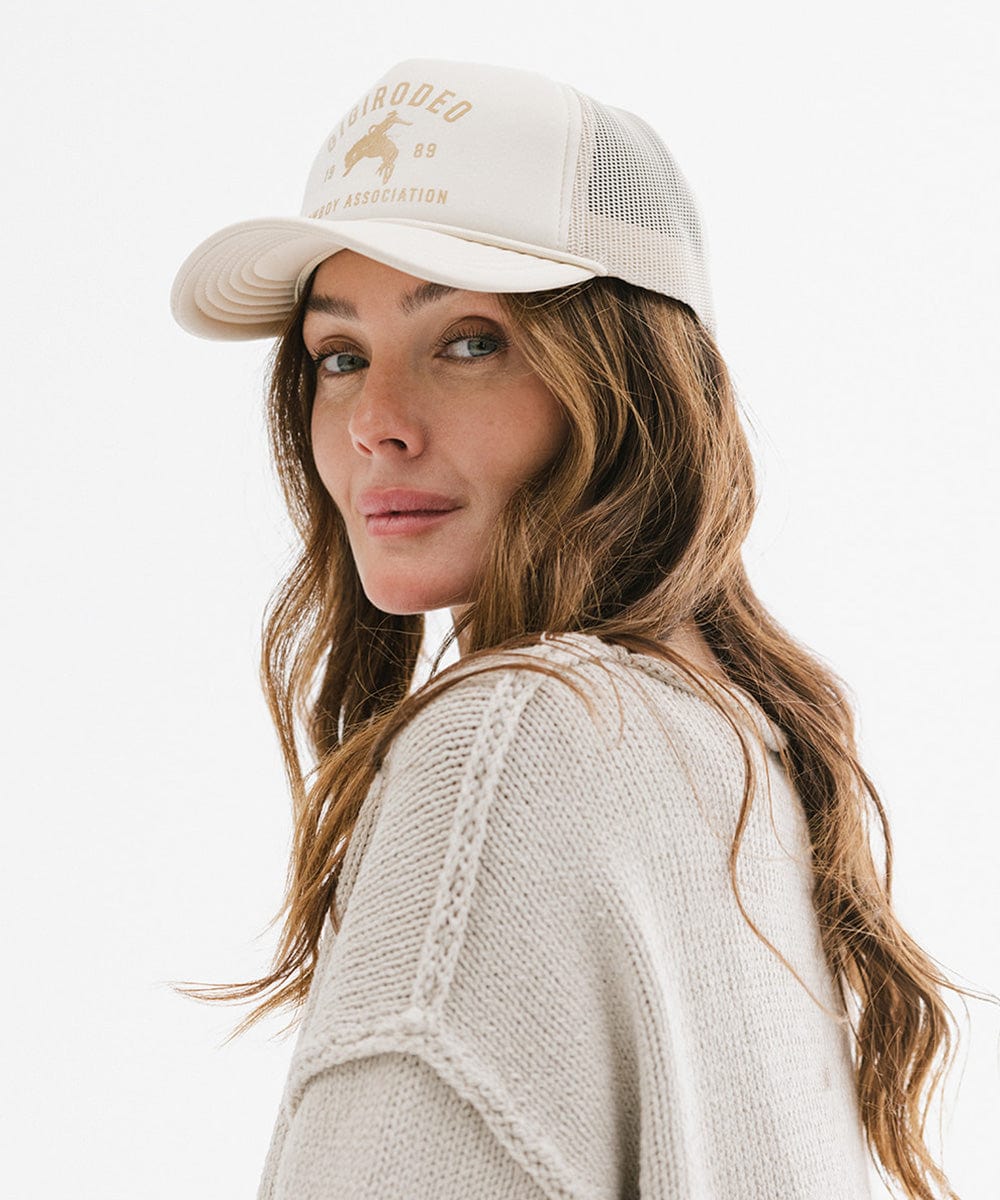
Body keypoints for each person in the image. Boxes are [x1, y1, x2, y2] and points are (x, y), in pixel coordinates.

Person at [169, 58, 986, 1200]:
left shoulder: (507, 746)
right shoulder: (728, 742)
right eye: (339, 357)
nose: (376, 426)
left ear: (624, 379)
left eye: (468, 341)